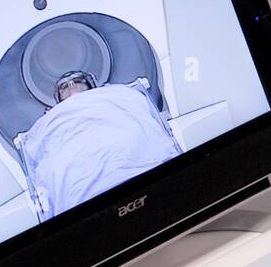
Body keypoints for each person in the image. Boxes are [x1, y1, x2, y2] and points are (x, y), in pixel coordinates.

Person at [19, 72, 180, 220]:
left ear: (92, 86)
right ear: (57, 100)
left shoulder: (115, 95)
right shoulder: (50, 120)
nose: (71, 86)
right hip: (79, 187)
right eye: (64, 86)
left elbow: (137, 104)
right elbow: (36, 147)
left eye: (77, 81)